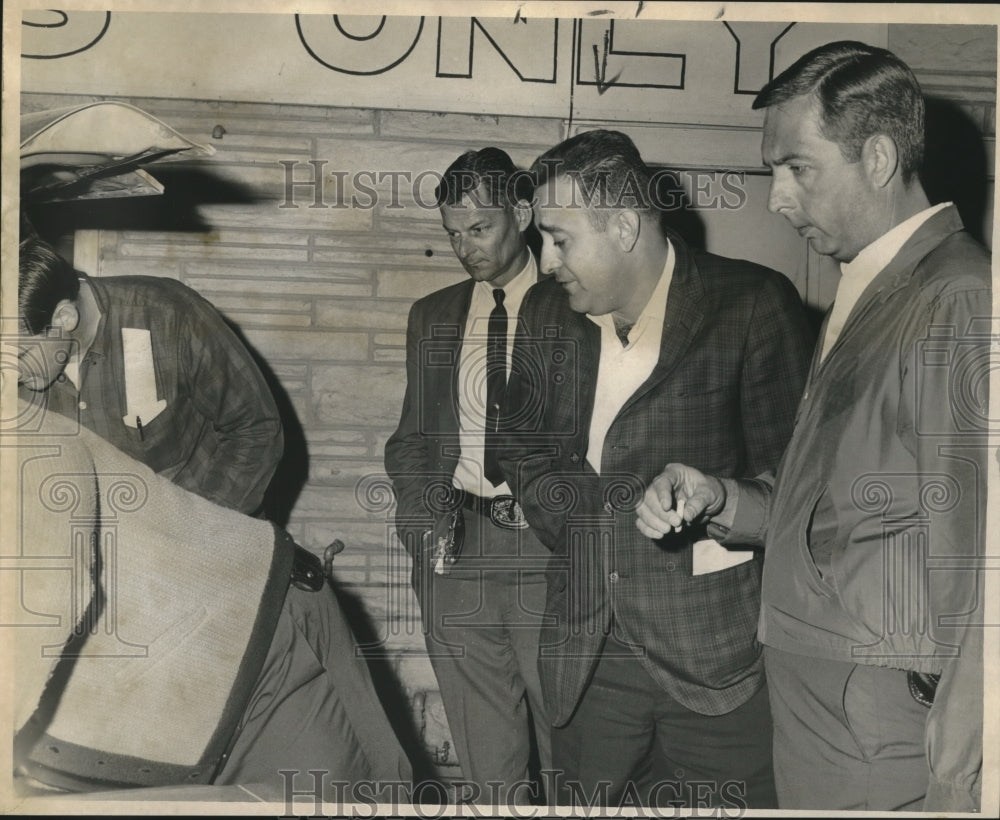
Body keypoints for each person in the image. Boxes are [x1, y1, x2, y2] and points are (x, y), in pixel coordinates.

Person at [636, 41, 989, 812]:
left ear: (880, 157)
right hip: (821, 706)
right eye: (773, 173)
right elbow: (836, 508)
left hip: (877, 730)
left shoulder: (956, 298)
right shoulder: (872, 286)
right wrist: (721, 499)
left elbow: (980, 574)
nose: (777, 201)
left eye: (798, 168)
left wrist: (960, 785)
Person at [500, 129, 813, 809]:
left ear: (620, 226)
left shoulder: (754, 305)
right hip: (589, 652)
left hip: (716, 662)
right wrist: (591, 522)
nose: (544, 261)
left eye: (559, 238)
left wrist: (711, 500)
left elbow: (797, 489)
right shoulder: (545, 313)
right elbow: (521, 448)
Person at [384, 148, 552, 806]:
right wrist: (423, 529)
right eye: (452, 234)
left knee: (574, 747)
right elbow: (413, 441)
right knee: (489, 769)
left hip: (551, 551)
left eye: (479, 229)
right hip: (460, 552)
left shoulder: (579, 304)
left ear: (523, 213)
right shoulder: (433, 316)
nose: (464, 248)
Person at [16, 233, 282, 516]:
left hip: (199, 526)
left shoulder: (170, 315)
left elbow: (255, 427)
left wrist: (203, 526)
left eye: (21, 356)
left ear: (64, 318)